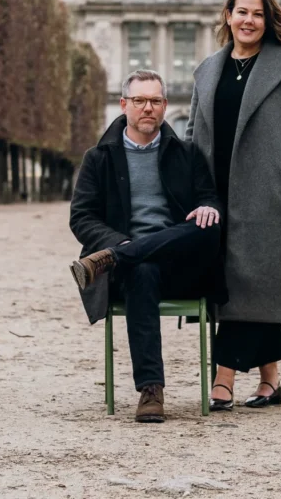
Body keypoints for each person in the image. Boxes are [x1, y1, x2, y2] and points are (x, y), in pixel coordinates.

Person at [187, 0, 281, 411]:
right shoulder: (208, 68)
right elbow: (193, 132)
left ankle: (222, 378)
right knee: (240, 284)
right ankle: (271, 379)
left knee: (244, 282)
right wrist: (193, 186)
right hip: (216, 193)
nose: (249, 20)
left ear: (269, 21)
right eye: (242, 12)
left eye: (258, 14)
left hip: (268, 195)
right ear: (228, 15)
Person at [69, 69, 223, 424]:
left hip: (180, 265)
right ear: (124, 105)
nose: (147, 108)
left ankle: (114, 257)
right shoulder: (98, 158)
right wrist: (118, 241)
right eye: (139, 100)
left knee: (209, 225)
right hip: (133, 272)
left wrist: (208, 207)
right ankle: (151, 389)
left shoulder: (187, 154)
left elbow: (210, 199)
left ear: (165, 106)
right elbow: (81, 218)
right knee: (142, 269)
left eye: (155, 101)